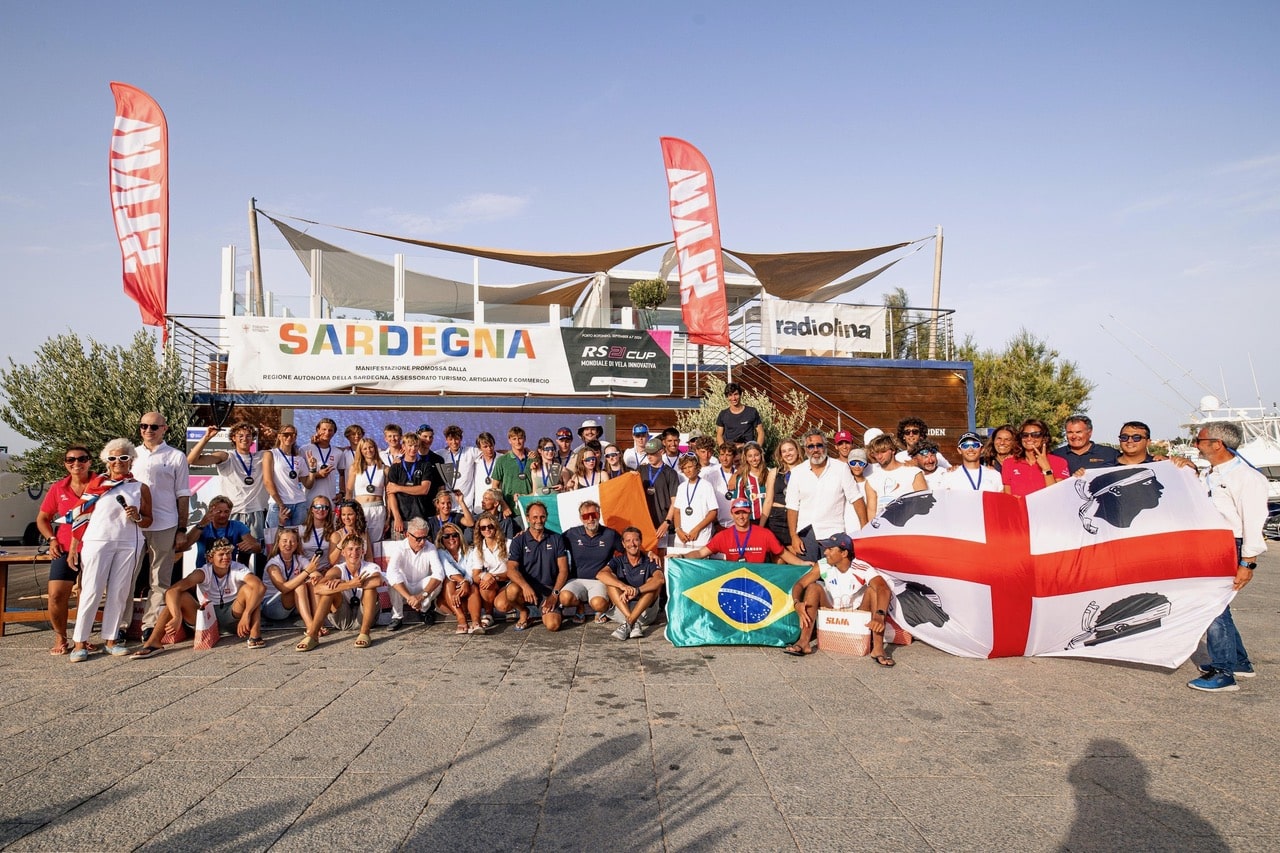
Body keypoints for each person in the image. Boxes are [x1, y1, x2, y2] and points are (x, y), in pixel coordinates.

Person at [1187, 421, 1267, 692]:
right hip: (1210, 543)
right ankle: (1240, 662)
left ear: (1217, 444)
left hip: (1229, 544)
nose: (1195, 445)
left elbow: (1254, 522)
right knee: (1220, 605)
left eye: (1199, 440)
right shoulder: (1210, 473)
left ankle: (1223, 671)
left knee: (1213, 606)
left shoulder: (1246, 478)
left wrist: (1248, 562)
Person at [68, 439, 152, 661]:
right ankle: (79, 642)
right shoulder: (95, 485)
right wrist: (74, 548)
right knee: (91, 591)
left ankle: (112, 639)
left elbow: (148, 520)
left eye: (123, 457)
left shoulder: (140, 487)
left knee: (119, 592)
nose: (118, 462)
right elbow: (81, 518)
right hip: (97, 541)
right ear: (106, 461)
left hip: (128, 542)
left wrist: (138, 516)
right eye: (113, 458)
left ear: (131, 460)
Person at [130, 537, 266, 658]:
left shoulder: (238, 568)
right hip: (207, 618)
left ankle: (255, 635)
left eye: (229, 553)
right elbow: (172, 591)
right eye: (221, 554)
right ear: (210, 558)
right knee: (179, 596)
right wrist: (177, 616)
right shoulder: (203, 572)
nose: (226, 557)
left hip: (233, 615)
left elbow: (260, 587)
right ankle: (153, 641)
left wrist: (246, 614)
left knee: (251, 590)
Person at [130, 412, 191, 642]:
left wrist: (182, 529)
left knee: (160, 579)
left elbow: (183, 494)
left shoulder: (176, 456)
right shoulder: (131, 454)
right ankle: (122, 625)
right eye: (144, 426)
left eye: (154, 426)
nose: (148, 430)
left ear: (164, 428)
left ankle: (151, 625)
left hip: (166, 523)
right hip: (134, 525)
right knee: (128, 576)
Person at [787, 533, 895, 664]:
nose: (825, 552)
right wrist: (796, 603)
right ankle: (804, 642)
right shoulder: (823, 564)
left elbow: (883, 588)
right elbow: (800, 584)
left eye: (830, 549)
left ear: (844, 553)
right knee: (813, 588)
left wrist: (880, 614)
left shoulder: (861, 567)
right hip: (832, 610)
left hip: (857, 613)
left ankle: (878, 649)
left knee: (874, 590)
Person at [35, 445, 95, 655]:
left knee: (87, 594)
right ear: (65, 463)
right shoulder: (58, 488)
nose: (76, 463)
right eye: (71, 460)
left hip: (95, 545)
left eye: (81, 459)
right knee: (56, 596)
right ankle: (61, 636)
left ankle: (82, 638)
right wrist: (51, 539)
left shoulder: (101, 484)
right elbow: (42, 518)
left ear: (89, 461)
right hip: (63, 546)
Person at [187, 421, 269, 555]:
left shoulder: (262, 456)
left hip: (256, 512)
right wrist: (206, 438)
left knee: (256, 552)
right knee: (226, 552)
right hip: (232, 513)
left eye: (248, 435)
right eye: (240, 435)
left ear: (253, 438)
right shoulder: (226, 456)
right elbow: (192, 460)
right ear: (233, 438)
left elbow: (288, 451)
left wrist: (276, 434)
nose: (244, 438)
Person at [787, 430, 866, 559]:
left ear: (825, 446)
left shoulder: (841, 469)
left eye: (819, 445)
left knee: (833, 577)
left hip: (833, 535)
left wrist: (864, 529)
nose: (815, 450)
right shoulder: (797, 472)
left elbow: (856, 499)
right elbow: (792, 507)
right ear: (805, 449)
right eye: (811, 446)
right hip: (806, 536)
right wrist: (793, 536)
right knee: (808, 576)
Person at [299, 534, 384, 650]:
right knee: (329, 591)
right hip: (342, 618)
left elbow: (378, 581)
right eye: (350, 549)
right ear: (343, 553)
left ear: (363, 551)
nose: (354, 552)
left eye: (358, 549)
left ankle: (365, 633)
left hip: (366, 616)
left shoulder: (371, 566)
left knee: (370, 590)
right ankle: (312, 635)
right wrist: (349, 584)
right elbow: (318, 588)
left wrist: (343, 584)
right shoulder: (338, 569)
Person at [494, 501, 568, 631]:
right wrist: (525, 586)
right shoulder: (519, 540)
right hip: (525, 589)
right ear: (528, 518)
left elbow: (563, 570)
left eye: (542, 516)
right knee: (502, 603)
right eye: (535, 517)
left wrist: (554, 595)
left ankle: (548, 609)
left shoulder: (556, 538)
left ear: (546, 517)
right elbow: (511, 569)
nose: (538, 520)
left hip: (547, 590)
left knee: (553, 625)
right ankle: (523, 611)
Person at [688, 498, 812, 567]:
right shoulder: (724, 536)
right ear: (732, 514)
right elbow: (700, 553)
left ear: (750, 513)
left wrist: (803, 563)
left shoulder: (764, 534)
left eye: (744, 512)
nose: (741, 516)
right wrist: (681, 557)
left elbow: (783, 553)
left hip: (759, 581)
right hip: (734, 580)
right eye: (737, 513)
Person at [559, 500, 622, 623]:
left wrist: (649, 553)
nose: (590, 519)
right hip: (576, 579)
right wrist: (526, 533)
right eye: (586, 516)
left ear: (599, 515)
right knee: (564, 598)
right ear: (581, 518)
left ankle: (605, 607)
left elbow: (628, 550)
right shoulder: (572, 533)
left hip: (599, 580)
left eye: (594, 515)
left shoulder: (610, 534)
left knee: (598, 604)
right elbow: (551, 541)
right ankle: (580, 607)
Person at [597, 527, 664, 640]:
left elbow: (660, 579)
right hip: (623, 609)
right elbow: (600, 575)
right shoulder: (618, 560)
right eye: (628, 541)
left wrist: (637, 590)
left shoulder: (649, 560)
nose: (632, 544)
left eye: (635, 540)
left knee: (652, 583)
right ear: (623, 544)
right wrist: (623, 587)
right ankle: (631, 621)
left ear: (640, 541)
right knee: (611, 580)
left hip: (645, 613)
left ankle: (628, 623)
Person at [384, 517, 445, 631]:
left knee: (438, 580)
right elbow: (391, 572)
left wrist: (421, 596)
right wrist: (410, 598)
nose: (422, 542)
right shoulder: (399, 547)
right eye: (418, 539)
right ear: (408, 535)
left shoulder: (430, 547)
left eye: (425, 538)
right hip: (404, 588)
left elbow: (439, 573)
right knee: (393, 578)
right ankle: (397, 616)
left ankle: (424, 610)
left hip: (421, 588)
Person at [262, 528, 321, 628]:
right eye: (285, 541)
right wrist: (306, 572)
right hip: (272, 605)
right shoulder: (273, 564)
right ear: (278, 542)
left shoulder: (299, 559)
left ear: (297, 543)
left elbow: (316, 574)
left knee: (312, 583)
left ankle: (318, 622)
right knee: (300, 586)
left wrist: (315, 577)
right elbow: (283, 588)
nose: (288, 544)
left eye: (292, 541)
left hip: (293, 606)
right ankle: (311, 626)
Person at [863, 433, 927, 522]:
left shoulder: (913, 473)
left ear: (893, 450)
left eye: (883, 451)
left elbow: (924, 503)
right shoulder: (871, 479)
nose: (879, 456)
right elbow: (871, 512)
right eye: (876, 453)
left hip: (910, 527)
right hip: (884, 529)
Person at [187, 495, 262, 568]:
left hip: (228, 572)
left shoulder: (238, 526)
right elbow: (186, 544)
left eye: (226, 512)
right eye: (219, 512)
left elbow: (257, 547)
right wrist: (200, 525)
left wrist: (251, 546)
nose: (223, 515)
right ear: (211, 511)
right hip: (204, 572)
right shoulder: (202, 527)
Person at [262, 423, 308, 540]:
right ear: (279, 436)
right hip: (278, 504)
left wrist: (313, 470)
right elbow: (268, 481)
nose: (289, 437)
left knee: (298, 540)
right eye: (286, 434)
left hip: (299, 503)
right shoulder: (271, 454)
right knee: (274, 540)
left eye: (293, 435)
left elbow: (308, 484)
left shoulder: (299, 458)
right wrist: (280, 504)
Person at [435, 521, 482, 634]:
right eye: (446, 536)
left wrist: (465, 583)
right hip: (448, 598)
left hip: (466, 594)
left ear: (459, 536)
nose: (451, 538)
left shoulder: (470, 551)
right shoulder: (440, 552)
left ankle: (476, 622)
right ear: (441, 539)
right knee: (449, 580)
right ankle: (461, 619)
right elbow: (448, 569)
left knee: (473, 586)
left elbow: (472, 571)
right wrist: (463, 581)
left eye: (454, 535)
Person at [1002, 419, 1069, 496]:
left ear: (1044, 438)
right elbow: (1008, 496)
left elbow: (1058, 496)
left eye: (1035, 435)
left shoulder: (1059, 462)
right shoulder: (1009, 463)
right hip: (1019, 507)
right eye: (1025, 435)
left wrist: (1047, 469)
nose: (1029, 438)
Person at [666, 454, 718, 554]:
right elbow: (677, 511)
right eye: (684, 468)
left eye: (690, 466)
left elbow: (713, 512)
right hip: (682, 537)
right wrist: (678, 530)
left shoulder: (706, 486)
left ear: (697, 466)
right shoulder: (681, 487)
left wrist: (697, 529)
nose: (687, 470)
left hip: (701, 537)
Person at [467, 511, 510, 630]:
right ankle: (488, 613)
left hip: (508, 580)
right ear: (479, 530)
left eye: (490, 526)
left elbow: (513, 571)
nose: (487, 530)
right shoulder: (479, 549)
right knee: (483, 583)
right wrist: (485, 575)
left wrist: (494, 577)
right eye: (483, 528)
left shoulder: (508, 544)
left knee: (502, 605)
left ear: (496, 527)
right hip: (493, 582)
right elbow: (475, 575)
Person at [386, 434, 432, 539]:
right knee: (400, 551)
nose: (413, 449)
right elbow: (391, 494)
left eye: (416, 446)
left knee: (420, 550)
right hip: (401, 519)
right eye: (410, 445)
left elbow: (424, 489)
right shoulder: (395, 467)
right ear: (403, 447)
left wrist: (399, 488)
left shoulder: (425, 465)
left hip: (420, 517)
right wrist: (397, 517)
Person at [638, 438, 680, 547]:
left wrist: (667, 522)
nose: (649, 456)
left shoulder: (671, 473)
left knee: (662, 558)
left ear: (661, 452)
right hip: (645, 523)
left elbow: (675, 501)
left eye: (653, 453)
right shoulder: (641, 470)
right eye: (647, 453)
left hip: (663, 525)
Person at [346, 437, 388, 541]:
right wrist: (347, 510)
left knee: (376, 542)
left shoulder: (385, 468)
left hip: (378, 509)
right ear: (360, 451)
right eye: (365, 449)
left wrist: (388, 515)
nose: (368, 450)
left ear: (375, 448)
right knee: (358, 540)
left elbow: (388, 494)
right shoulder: (355, 468)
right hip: (360, 509)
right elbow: (349, 491)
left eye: (371, 447)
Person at [728, 441, 774, 525]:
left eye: (756, 455)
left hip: (773, 519)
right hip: (753, 521)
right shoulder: (742, 478)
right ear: (745, 458)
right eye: (750, 456)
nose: (753, 459)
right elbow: (738, 503)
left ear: (761, 455)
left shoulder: (771, 473)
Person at [492, 426, 534, 517]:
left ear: (525, 439)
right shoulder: (502, 460)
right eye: (514, 439)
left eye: (520, 438)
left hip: (530, 509)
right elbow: (495, 486)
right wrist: (503, 505)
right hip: (509, 510)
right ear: (509, 440)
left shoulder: (533, 460)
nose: (517, 442)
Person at [766, 438, 801, 548]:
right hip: (776, 517)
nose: (788, 454)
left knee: (798, 553)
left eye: (790, 450)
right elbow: (768, 500)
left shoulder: (806, 470)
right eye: (784, 451)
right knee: (778, 554)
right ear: (780, 455)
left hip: (798, 517)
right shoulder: (774, 472)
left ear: (797, 451)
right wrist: (761, 526)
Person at [302, 418, 342, 504]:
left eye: (330, 430)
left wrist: (342, 492)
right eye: (324, 429)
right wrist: (317, 474)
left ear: (334, 433)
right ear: (317, 430)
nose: (327, 432)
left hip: (330, 500)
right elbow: (297, 477)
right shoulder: (305, 450)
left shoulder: (338, 452)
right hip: (309, 500)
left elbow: (342, 474)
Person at [439, 424, 479, 507]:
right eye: (450, 439)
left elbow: (488, 451)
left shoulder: (470, 452)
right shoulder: (441, 454)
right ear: (446, 440)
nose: (454, 442)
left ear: (461, 439)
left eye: (456, 439)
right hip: (447, 505)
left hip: (466, 504)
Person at [715, 382, 764, 447]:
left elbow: (760, 432)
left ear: (740, 395)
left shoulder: (752, 412)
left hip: (747, 450)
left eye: (736, 394)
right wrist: (724, 450)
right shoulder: (723, 414)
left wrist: (757, 449)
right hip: (731, 452)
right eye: (730, 395)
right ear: (727, 397)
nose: (733, 398)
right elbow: (719, 435)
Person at [328, 501, 374, 567]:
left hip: (361, 569)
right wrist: (341, 542)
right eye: (343, 515)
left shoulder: (364, 533)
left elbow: (369, 557)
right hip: (343, 570)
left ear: (357, 515)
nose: (346, 518)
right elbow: (332, 561)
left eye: (350, 514)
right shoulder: (336, 535)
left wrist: (369, 570)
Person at [470, 432, 502, 514]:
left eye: (491, 445)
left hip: (497, 508)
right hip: (479, 508)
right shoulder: (475, 461)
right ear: (479, 448)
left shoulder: (502, 459)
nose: (489, 449)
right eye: (485, 447)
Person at [299, 495, 335, 569]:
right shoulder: (301, 529)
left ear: (329, 510)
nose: (321, 510)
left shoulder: (334, 530)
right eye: (317, 507)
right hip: (307, 571)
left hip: (327, 570)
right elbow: (299, 555)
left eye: (325, 507)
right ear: (312, 509)